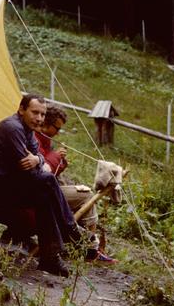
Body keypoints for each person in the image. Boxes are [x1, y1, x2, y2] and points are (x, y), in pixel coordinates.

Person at [0, 93, 83, 277]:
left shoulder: (27, 128)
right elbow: (29, 170)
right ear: (22, 109)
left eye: (42, 114)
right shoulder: (13, 128)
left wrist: (38, 159)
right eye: (35, 112)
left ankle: (50, 257)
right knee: (47, 181)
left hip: (4, 182)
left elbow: (36, 158)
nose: (39, 118)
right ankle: (70, 230)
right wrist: (38, 161)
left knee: (44, 194)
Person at [35, 104, 118, 264]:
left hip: (48, 189)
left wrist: (60, 161)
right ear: (46, 124)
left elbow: (51, 173)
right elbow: (41, 172)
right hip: (41, 193)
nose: (58, 133)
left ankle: (85, 246)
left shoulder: (45, 139)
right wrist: (55, 156)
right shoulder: (35, 139)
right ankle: (89, 249)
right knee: (86, 195)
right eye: (56, 128)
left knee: (83, 194)